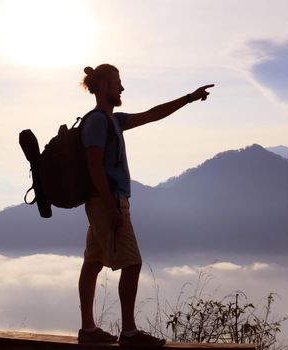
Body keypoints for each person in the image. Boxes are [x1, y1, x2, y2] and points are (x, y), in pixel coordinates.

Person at [77, 63, 214, 347]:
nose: (122, 87)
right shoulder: (99, 122)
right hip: (108, 202)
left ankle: (88, 329)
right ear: (102, 86)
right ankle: (128, 333)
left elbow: (153, 115)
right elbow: (93, 165)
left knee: (92, 263)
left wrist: (188, 98)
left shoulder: (113, 120)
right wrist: (112, 207)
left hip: (104, 202)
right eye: (117, 82)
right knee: (132, 263)